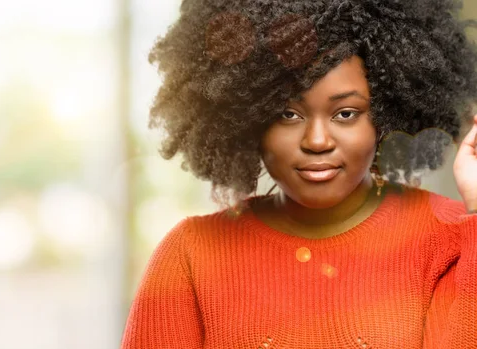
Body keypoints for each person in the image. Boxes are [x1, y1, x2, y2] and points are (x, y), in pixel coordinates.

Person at [121, 0, 477, 348]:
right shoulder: (190, 257)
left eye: (346, 113)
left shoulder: (452, 240)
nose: (317, 141)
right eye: (287, 115)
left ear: (384, 117)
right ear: (246, 120)